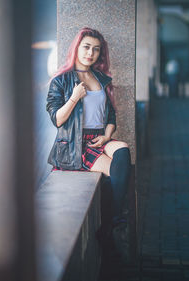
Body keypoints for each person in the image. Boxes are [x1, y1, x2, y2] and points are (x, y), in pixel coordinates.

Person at [46, 27, 131, 249]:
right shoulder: (60, 81)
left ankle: (112, 221)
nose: (90, 53)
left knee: (122, 149)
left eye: (95, 49)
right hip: (76, 143)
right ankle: (113, 222)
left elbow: (111, 113)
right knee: (115, 169)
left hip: (98, 139)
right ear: (76, 48)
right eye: (86, 47)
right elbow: (57, 120)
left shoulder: (101, 79)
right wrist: (74, 97)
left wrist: (107, 135)